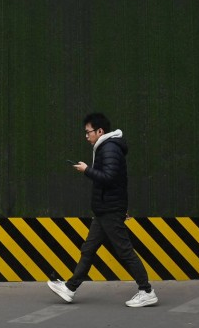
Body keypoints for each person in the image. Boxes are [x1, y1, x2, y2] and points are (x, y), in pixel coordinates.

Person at [47, 112, 158, 308]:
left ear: (100, 131)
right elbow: (117, 180)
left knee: (125, 251)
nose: (86, 136)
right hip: (105, 209)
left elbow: (110, 178)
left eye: (88, 132)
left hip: (109, 209)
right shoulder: (106, 147)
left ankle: (147, 291)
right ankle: (70, 288)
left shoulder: (109, 148)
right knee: (88, 249)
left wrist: (86, 170)